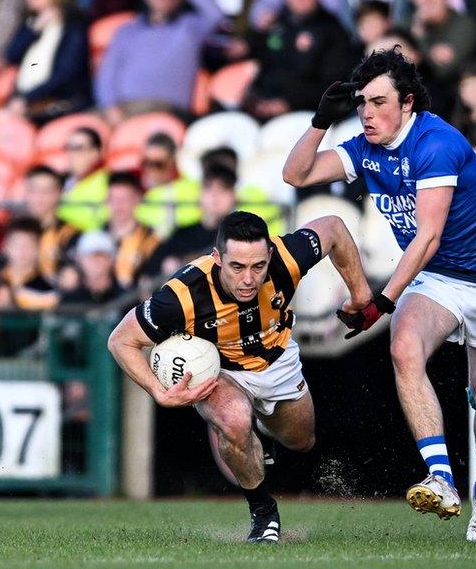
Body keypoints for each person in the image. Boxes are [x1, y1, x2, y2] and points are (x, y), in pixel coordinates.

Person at [282, 48, 476, 542]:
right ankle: (442, 478)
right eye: (362, 104)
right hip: (436, 278)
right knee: (403, 347)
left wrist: (379, 301)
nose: (367, 113)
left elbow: (428, 235)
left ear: (408, 103)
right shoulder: (365, 145)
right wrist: (318, 122)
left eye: (378, 102)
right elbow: (296, 175)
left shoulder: (436, 143)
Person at [107, 211, 372, 543]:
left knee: (301, 441)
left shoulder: (287, 257)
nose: (249, 279)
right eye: (237, 267)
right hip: (222, 372)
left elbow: (333, 227)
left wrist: (360, 294)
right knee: (232, 419)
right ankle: (264, 514)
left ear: (270, 255)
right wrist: (158, 393)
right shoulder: (181, 295)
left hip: (278, 361)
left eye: (258, 267)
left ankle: (259, 427)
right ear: (217, 257)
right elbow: (120, 340)